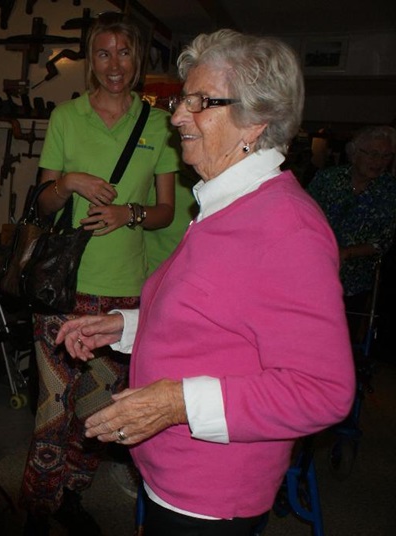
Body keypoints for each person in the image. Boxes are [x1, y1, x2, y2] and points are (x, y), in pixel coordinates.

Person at [56, 29, 355, 536]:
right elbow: (213, 315)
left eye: (199, 102)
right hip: (173, 473)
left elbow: (323, 392)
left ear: (255, 121)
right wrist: (125, 326)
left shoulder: (285, 228)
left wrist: (175, 403)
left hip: (212, 492)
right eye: (180, 100)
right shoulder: (224, 204)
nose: (175, 117)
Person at [19, 12, 180, 536]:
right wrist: (69, 181)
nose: (115, 65)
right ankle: (37, 509)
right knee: (52, 409)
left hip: (124, 300)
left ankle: (72, 496)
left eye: (125, 53)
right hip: (60, 289)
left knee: (100, 415)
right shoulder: (66, 116)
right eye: (104, 53)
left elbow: (165, 212)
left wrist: (126, 214)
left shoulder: (158, 124)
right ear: (92, 60)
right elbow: (42, 203)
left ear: (139, 60)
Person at [307, 125, 396, 344]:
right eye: (373, 154)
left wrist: (347, 253)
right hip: (316, 270)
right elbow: (304, 217)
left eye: (386, 156)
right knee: (308, 331)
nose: (379, 161)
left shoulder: (389, 191)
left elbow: (385, 239)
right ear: (355, 153)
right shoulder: (328, 179)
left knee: (341, 338)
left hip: (356, 279)